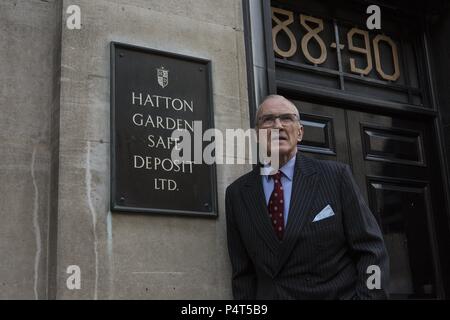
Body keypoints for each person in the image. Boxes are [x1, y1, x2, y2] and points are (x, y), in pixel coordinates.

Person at [225, 94, 389, 299]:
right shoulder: (237, 193)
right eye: (268, 120)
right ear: (257, 134)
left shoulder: (336, 177)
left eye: (286, 118)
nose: (277, 125)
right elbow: (243, 275)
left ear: (300, 132)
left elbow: (371, 250)